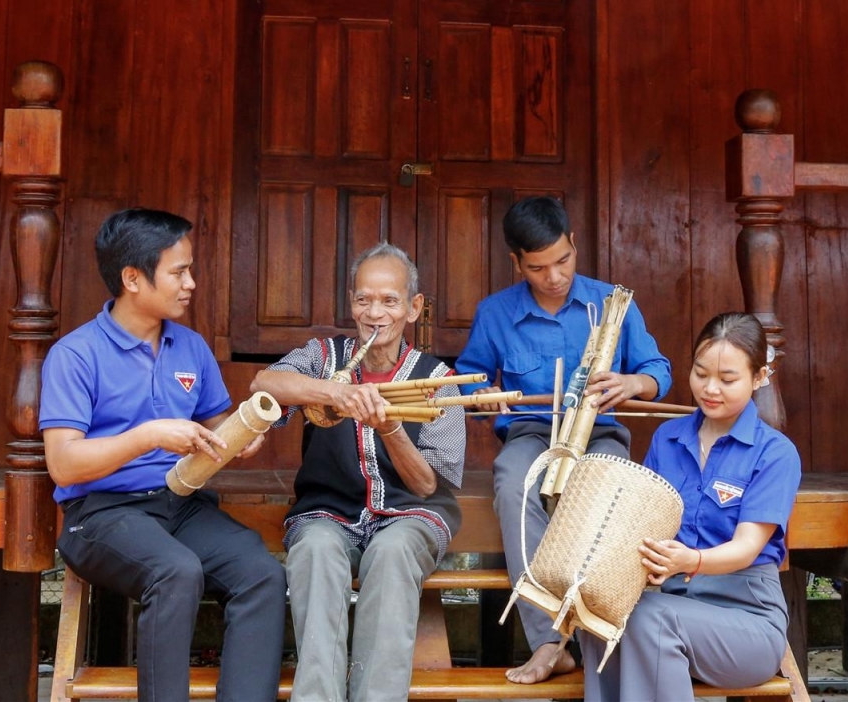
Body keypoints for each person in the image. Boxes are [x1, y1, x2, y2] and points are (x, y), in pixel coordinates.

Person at [40, 208, 287, 702]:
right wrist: (149, 435)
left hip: (180, 503)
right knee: (175, 571)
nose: (190, 282)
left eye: (189, 269)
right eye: (178, 271)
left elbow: (215, 424)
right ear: (133, 278)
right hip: (101, 514)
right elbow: (64, 464)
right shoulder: (75, 354)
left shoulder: (189, 347)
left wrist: (242, 435)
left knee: (261, 573)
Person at [455, 196, 673, 684]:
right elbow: (467, 378)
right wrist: (485, 393)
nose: (553, 276)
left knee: (612, 493)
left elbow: (658, 371)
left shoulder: (613, 303)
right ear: (517, 263)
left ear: (574, 244)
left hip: (600, 434)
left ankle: (607, 632)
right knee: (513, 482)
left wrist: (634, 384)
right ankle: (549, 643)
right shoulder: (495, 313)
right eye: (537, 268)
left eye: (563, 261)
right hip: (533, 432)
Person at [250, 242, 466, 702]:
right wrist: (332, 393)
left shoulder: (438, 379)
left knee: (391, 553)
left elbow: (428, 485)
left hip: (411, 515)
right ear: (351, 303)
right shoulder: (325, 356)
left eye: (390, 301)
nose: (376, 313)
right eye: (364, 300)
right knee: (314, 550)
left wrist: (390, 430)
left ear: (414, 307)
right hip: (328, 512)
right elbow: (265, 382)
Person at [579, 312, 802, 701]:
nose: (710, 389)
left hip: (746, 618)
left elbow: (748, 547)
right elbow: (640, 527)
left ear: (759, 377)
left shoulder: (775, 453)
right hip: (669, 602)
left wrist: (689, 562)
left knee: (650, 620)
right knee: (601, 617)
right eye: (701, 374)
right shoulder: (668, 438)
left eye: (728, 379)